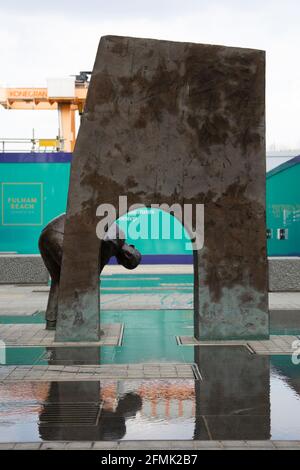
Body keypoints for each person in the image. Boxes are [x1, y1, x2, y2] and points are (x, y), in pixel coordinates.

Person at [39, 213, 141, 330]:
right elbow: (93, 272)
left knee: (59, 280)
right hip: (60, 236)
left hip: (46, 235)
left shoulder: (117, 232)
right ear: (127, 254)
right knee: (81, 280)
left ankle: (52, 321)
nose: (123, 259)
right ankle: (84, 324)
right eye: (126, 260)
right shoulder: (115, 240)